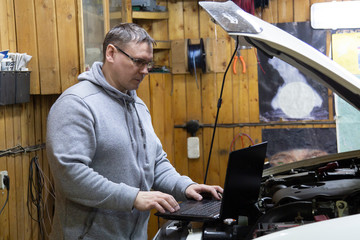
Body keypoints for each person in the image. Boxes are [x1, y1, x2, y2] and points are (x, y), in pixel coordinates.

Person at [46, 23, 223, 239]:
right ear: (111, 53)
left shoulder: (137, 105)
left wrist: (185, 187)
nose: (145, 70)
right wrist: (132, 197)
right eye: (138, 61)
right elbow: (69, 175)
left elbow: (155, 162)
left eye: (148, 63)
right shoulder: (77, 104)